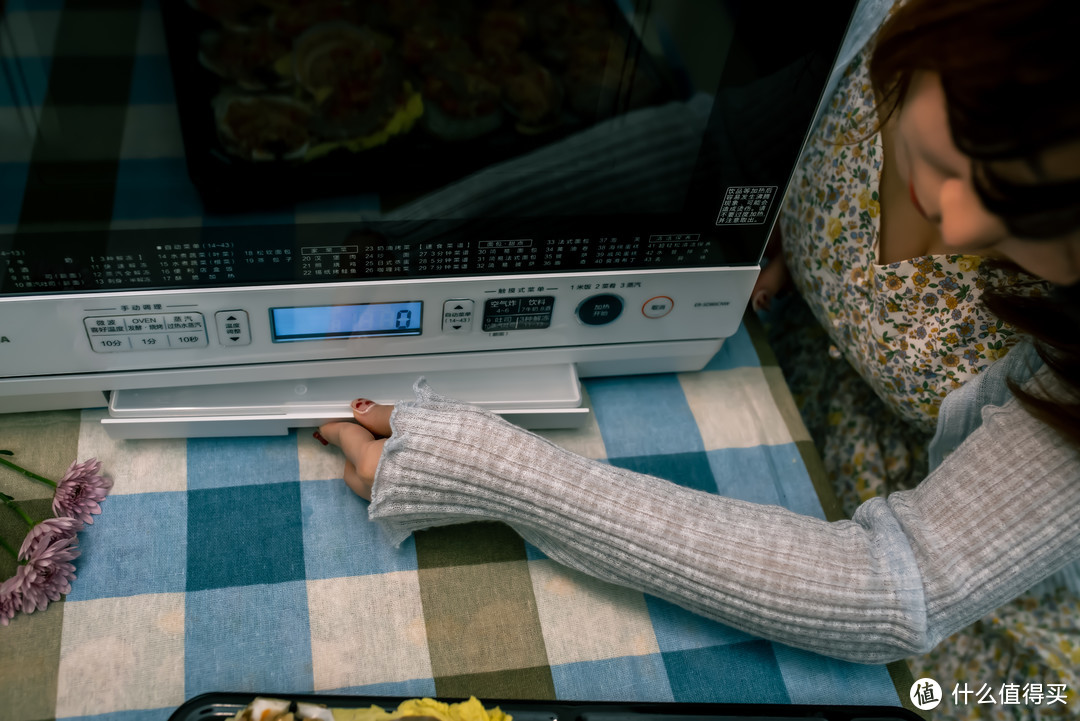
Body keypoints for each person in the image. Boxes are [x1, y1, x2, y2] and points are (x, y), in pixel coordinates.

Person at [317, 0, 1079, 713]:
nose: (960, 222)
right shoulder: (904, 21)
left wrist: (486, 466)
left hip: (955, 640)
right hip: (780, 407)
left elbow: (895, 586)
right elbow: (718, 144)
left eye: (1042, 217)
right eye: (974, 162)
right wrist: (416, 234)